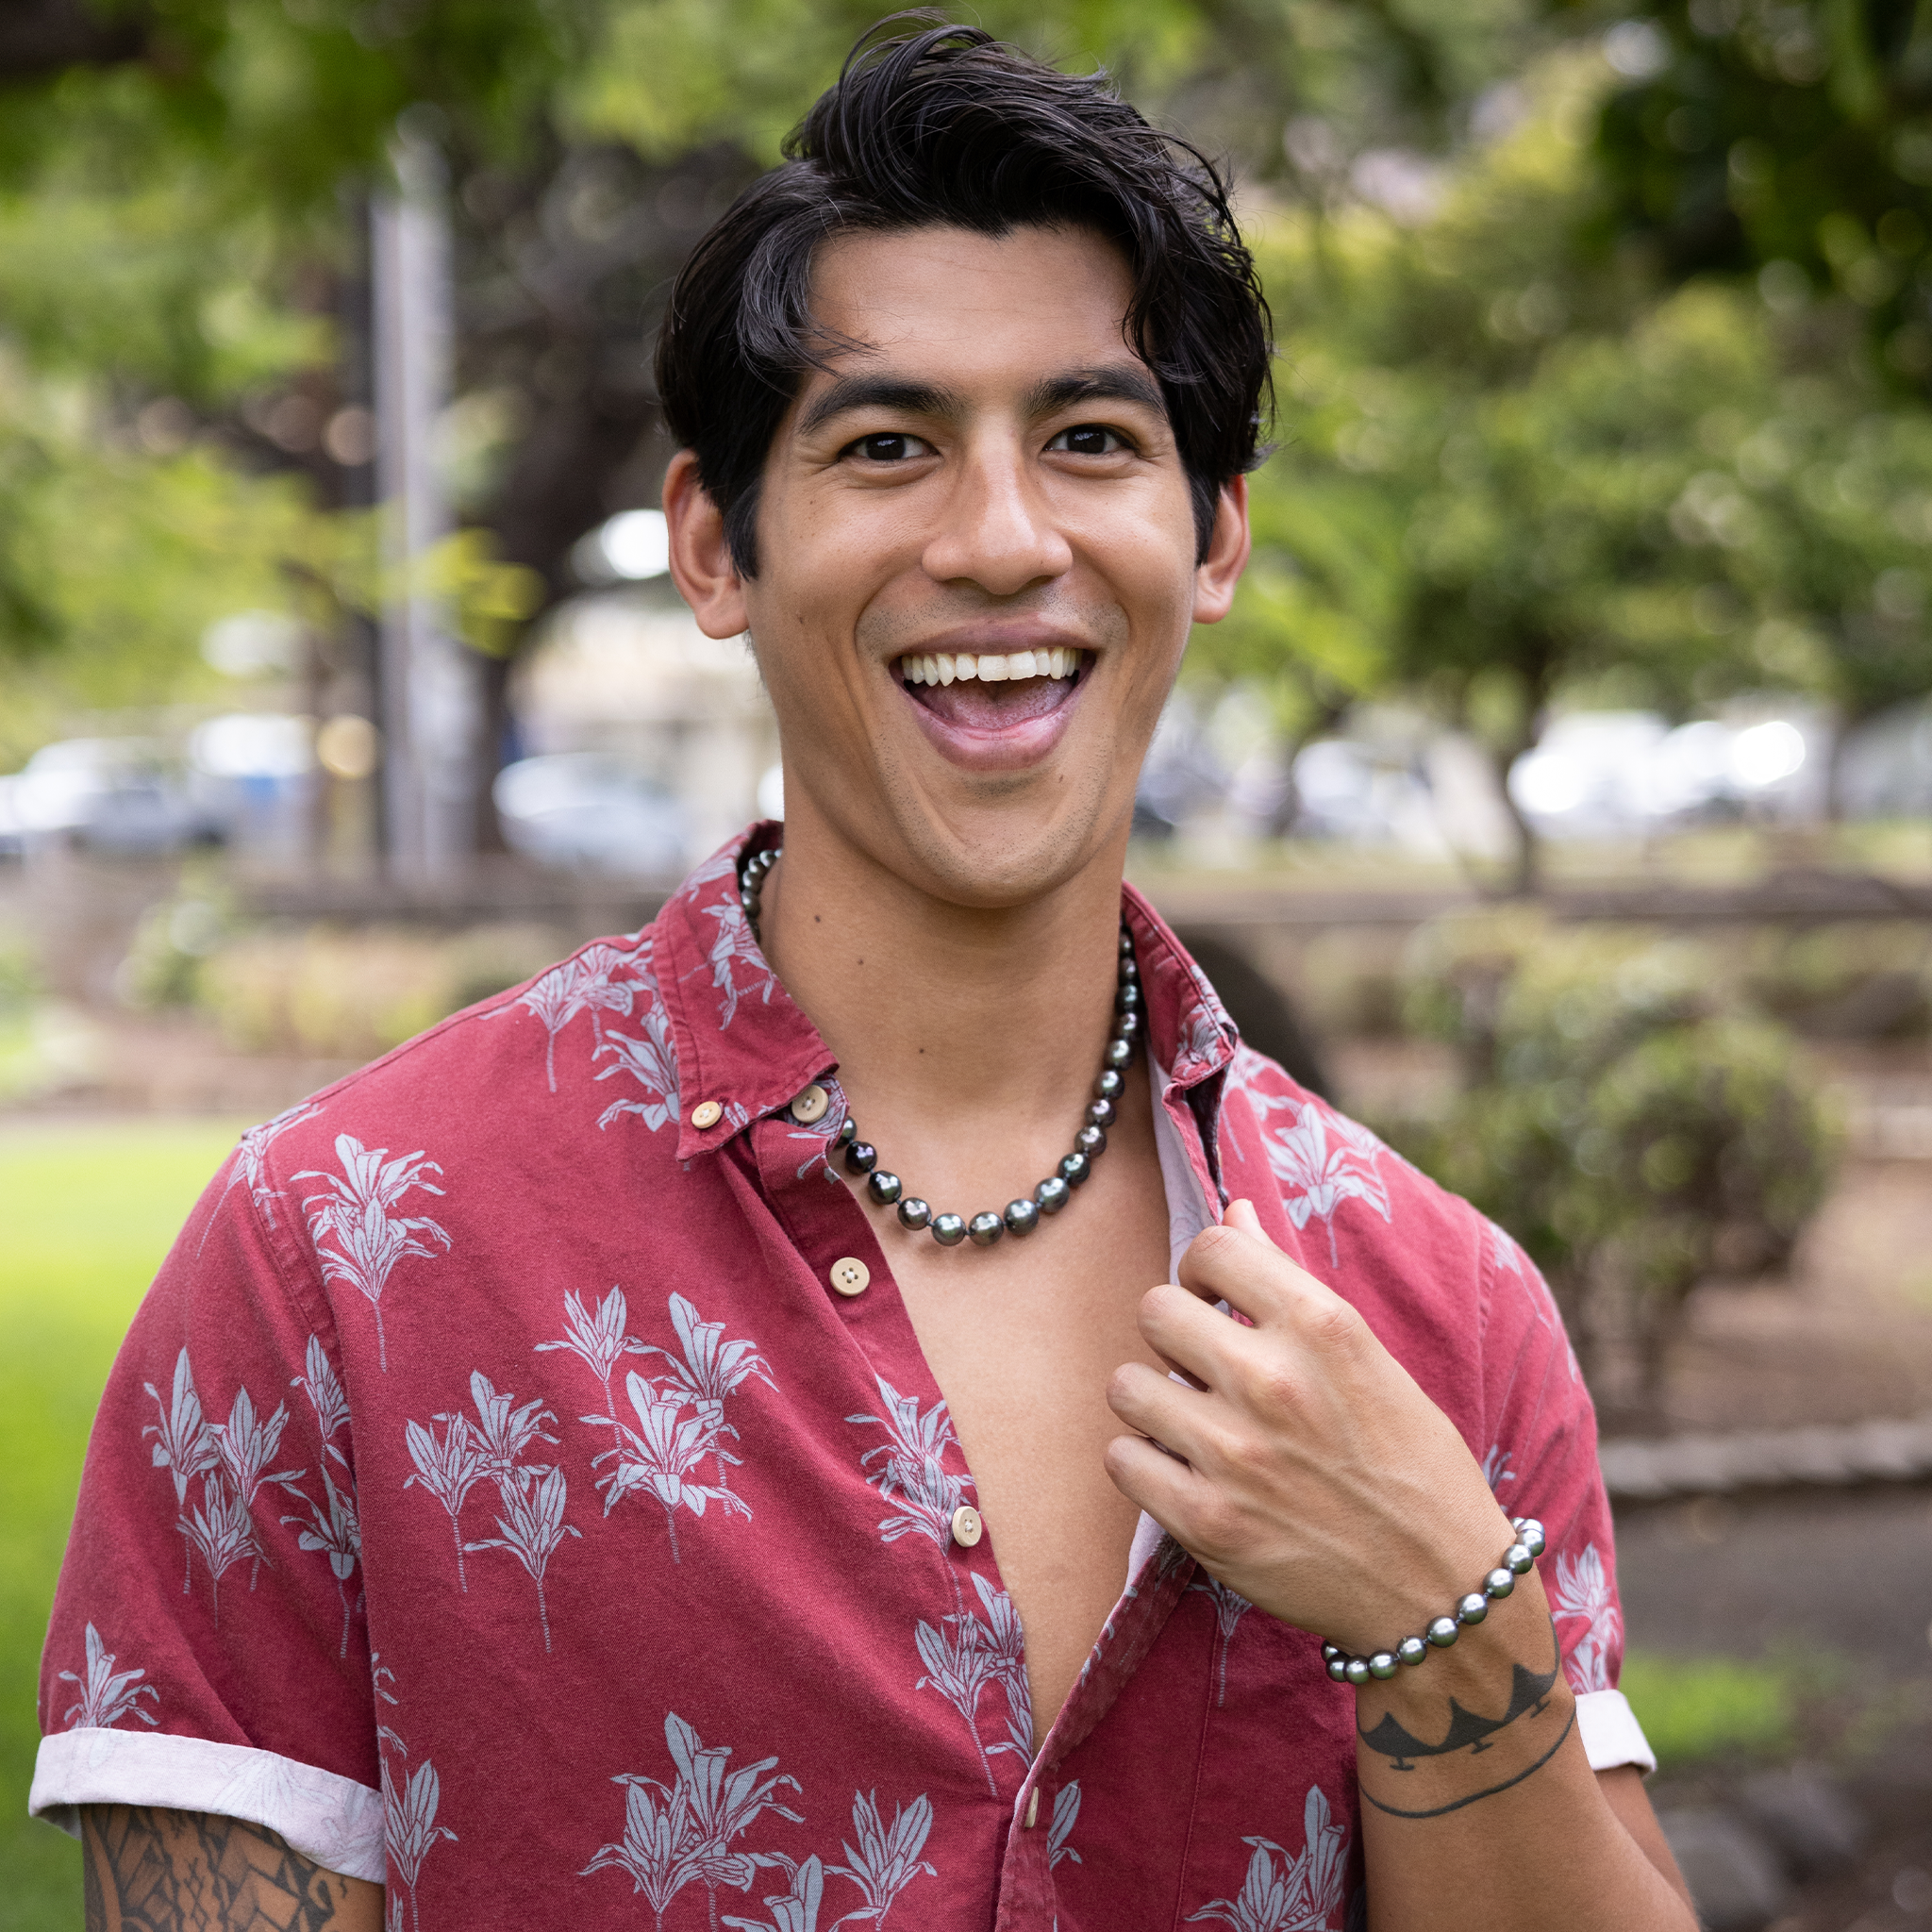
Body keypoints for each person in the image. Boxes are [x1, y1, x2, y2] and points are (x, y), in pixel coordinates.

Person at [34, 22, 1694, 1931]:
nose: (1000, 540)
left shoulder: (1436, 1311)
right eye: (888, 445)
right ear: (713, 546)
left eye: (1090, 440)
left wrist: (1439, 1609)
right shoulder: (338, 1257)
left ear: (1213, 537)